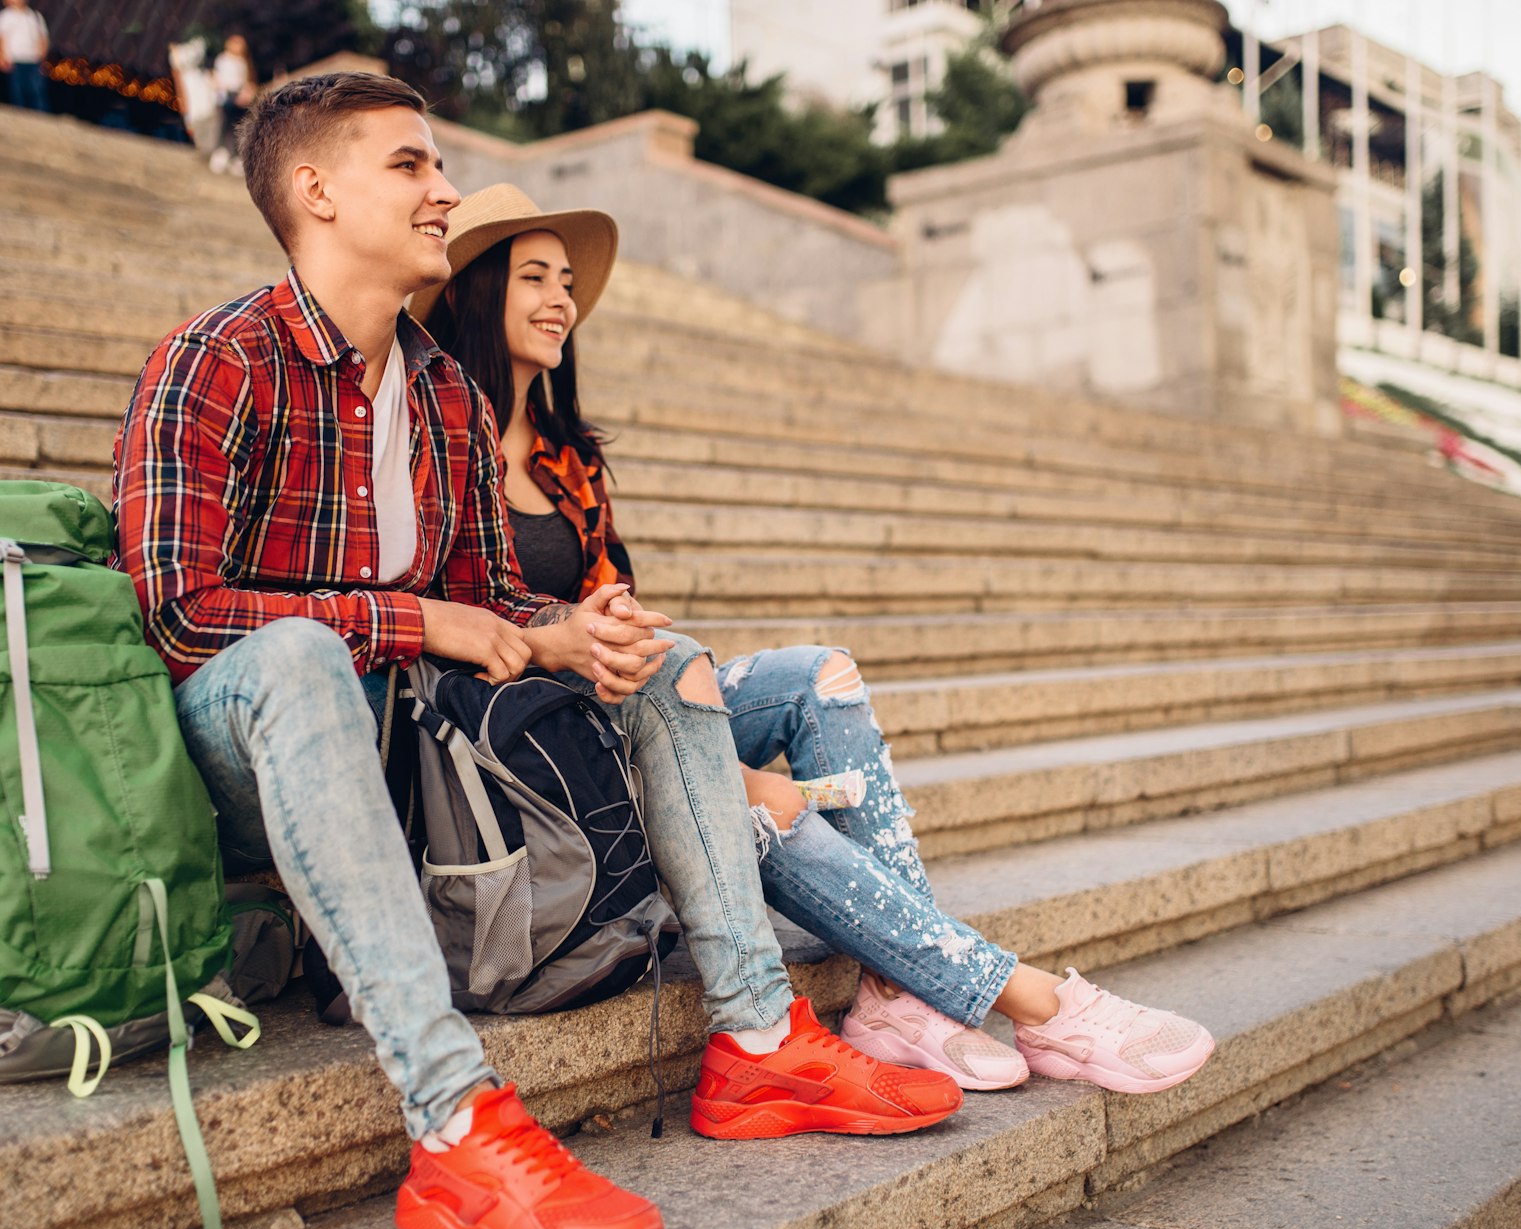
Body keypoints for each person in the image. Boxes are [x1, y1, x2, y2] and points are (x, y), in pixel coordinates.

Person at [112, 73, 962, 1229]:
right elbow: (180, 615)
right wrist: (421, 621)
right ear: (314, 190)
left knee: (664, 659)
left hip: (411, 756)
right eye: (409, 165)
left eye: (437, 166)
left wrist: (568, 632)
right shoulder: (220, 362)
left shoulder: (446, 396)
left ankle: (760, 1039)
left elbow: (489, 605)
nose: (442, 190)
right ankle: (452, 1120)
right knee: (298, 655)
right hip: (246, 756)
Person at [412, 185, 1217, 1098]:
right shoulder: (439, 443)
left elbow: (622, 606)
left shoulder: (568, 452)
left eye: (566, 279)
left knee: (820, 676)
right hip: (540, 756)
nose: (561, 297)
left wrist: (688, 695)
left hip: (634, 695)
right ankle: (1031, 999)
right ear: (479, 289)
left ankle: (893, 993)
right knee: (761, 807)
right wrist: (718, 760)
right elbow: (470, 640)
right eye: (533, 277)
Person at [0, 0, 50, 114]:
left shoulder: (35, 16)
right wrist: (1, 58)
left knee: (36, 91)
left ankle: (40, 117)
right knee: (17, 92)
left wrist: (42, 55)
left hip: (32, 60)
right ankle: (19, 115)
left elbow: (43, 38)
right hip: (15, 59)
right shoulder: (4, 17)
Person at [213, 35, 257, 172]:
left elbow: (245, 82)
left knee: (238, 127)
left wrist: (246, 92)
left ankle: (235, 157)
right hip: (227, 98)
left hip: (240, 98)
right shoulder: (223, 60)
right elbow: (220, 81)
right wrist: (236, 93)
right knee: (226, 126)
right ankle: (222, 153)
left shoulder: (243, 62)